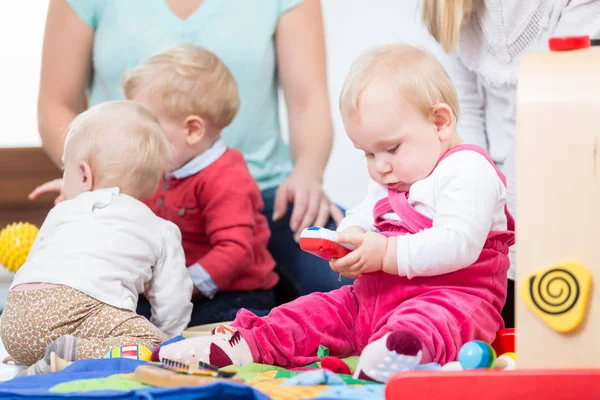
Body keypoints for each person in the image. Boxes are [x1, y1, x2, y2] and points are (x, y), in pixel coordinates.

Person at [151, 44, 515, 382]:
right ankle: (242, 345)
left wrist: (385, 253)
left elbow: (459, 244)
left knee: (432, 324)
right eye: (368, 154)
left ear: (440, 123)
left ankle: (400, 355)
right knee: (311, 311)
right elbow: (363, 213)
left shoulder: (468, 170)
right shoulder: (399, 175)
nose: (380, 167)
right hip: (370, 301)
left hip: (450, 297)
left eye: (390, 148)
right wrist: (347, 238)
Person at [30, 0, 350, 304]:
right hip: (134, 197)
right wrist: (96, 179)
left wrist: (307, 172)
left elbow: (308, 102)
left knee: (353, 280)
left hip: (271, 196)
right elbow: (56, 105)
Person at [420, 0, 600, 328]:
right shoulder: (448, 7)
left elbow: (543, 118)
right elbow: (461, 111)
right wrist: (469, 189)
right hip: (492, 174)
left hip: (561, 166)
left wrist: (499, 231)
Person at [1, 101, 193, 375]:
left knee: (54, 329)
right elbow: (173, 300)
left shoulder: (61, 211)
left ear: (84, 175)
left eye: (64, 170)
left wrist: (22, 340)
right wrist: (166, 335)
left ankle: (40, 353)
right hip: (75, 310)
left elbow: (34, 264)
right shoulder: (159, 228)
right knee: (155, 345)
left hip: (14, 322)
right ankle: (72, 352)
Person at [122, 44, 279, 325]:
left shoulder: (226, 177)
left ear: (192, 130)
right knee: (125, 320)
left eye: (148, 129)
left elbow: (235, 251)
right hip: (170, 288)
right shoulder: (162, 163)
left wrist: (182, 286)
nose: (138, 139)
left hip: (233, 293)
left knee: (229, 333)